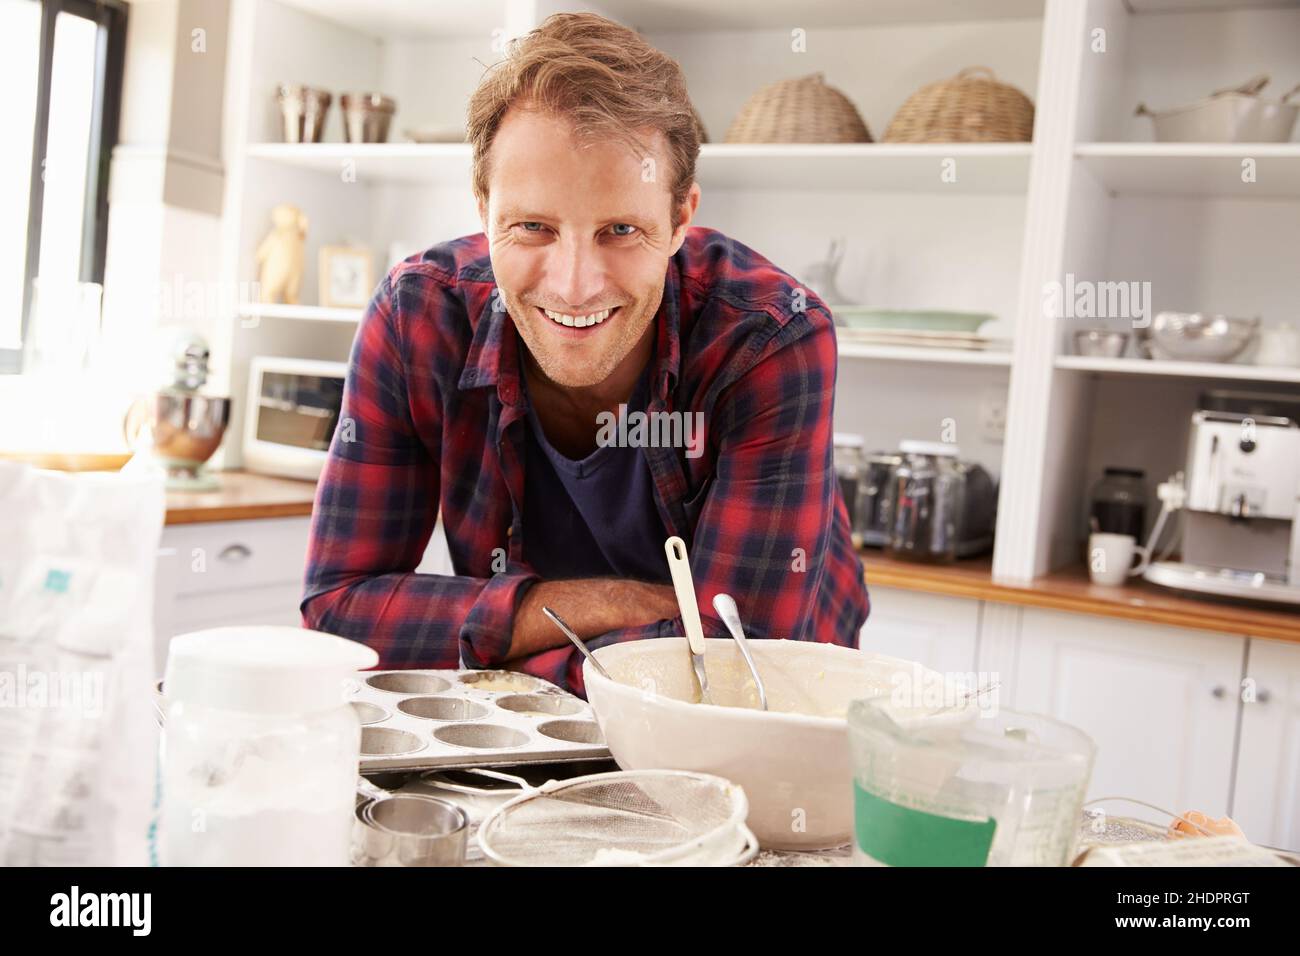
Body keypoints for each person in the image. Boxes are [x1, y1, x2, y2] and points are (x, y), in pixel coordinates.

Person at [301, 12, 869, 696]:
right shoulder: (416, 315)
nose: (574, 285)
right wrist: (615, 604)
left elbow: (733, 664)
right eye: (533, 227)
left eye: (621, 229)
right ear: (483, 208)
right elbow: (338, 614)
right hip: (533, 726)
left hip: (778, 708)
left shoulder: (772, 335)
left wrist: (491, 656)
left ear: (680, 220)